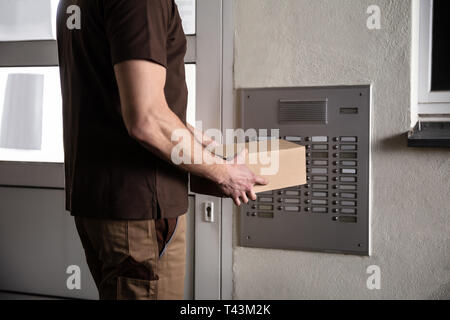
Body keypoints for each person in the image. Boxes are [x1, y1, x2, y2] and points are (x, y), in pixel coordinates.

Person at [56, 0, 266, 300]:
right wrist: (224, 173)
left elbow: (114, 95)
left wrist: (194, 140)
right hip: (139, 216)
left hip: (101, 204)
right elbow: (146, 119)